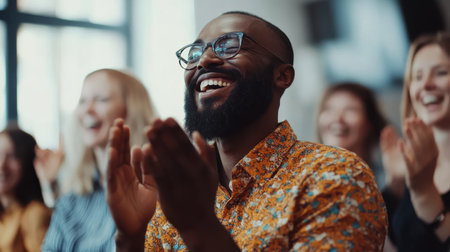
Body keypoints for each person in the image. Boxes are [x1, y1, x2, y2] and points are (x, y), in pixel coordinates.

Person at [106, 11, 387, 251]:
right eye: (195, 52)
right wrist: (131, 239)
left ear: (282, 76)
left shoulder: (334, 176)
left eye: (229, 45)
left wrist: (199, 226)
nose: (204, 60)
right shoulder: (174, 195)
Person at [41, 69, 158, 251]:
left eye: (101, 99)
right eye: (82, 101)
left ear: (130, 109)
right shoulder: (72, 197)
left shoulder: (158, 189)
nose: (87, 109)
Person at [384, 32, 450, 251]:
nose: (426, 85)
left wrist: (426, 196)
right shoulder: (415, 164)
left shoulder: (422, 183)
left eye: (440, 72)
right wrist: (394, 185)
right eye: (417, 77)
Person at [317, 82, 388, 187]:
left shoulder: (386, 182)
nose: (337, 118)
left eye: (350, 110)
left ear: (370, 123)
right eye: (329, 109)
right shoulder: (302, 175)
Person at [0, 126, 52, 251]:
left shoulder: (34, 214)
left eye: (12, 156)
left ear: (27, 161)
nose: (2, 164)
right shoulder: (4, 215)